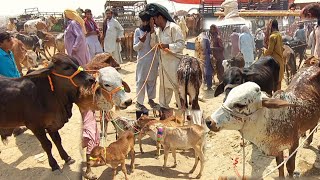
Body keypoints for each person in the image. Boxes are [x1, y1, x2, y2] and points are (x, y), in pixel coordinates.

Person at [63, 9, 99, 179]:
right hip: (81, 58)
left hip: (76, 58)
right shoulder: (77, 24)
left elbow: (78, 41)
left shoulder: (72, 25)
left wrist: (71, 54)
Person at [145, 3, 185, 120]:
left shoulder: (174, 28)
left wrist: (168, 45)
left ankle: (182, 116)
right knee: (163, 93)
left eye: (154, 19)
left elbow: (181, 44)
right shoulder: (157, 31)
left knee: (178, 92)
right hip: (163, 68)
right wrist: (152, 30)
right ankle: (165, 115)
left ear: (160, 17)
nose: (154, 22)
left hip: (175, 67)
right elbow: (153, 45)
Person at [0, 32, 27, 136]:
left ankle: (16, 127)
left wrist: (19, 76)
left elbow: (14, 67)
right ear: (1, 43)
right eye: (8, 41)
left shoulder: (9, 52)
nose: (12, 42)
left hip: (16, 82)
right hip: (6, 86)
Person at [133, 11, 160, 112]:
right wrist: (141, 42)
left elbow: (156, 44)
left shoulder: (155, 31)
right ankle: (139, 103)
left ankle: (151, 100)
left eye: (146, 21)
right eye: (142, 21)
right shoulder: (137, 31)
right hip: (142, 61)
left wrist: (152, 30)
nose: (144, 23)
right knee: (141, 81)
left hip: (153, 60)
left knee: (152, 80)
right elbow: (135, 48)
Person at [264, 19, 284, 90]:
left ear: (271, 27)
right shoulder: (279, 35)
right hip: (280, 61)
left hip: (274, 62)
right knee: (279, 84)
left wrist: (264, 50)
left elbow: (269, 51)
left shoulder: (272, 36)